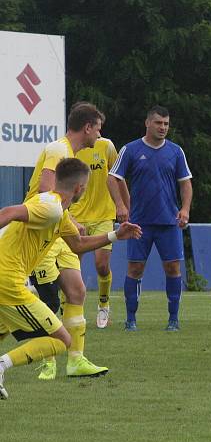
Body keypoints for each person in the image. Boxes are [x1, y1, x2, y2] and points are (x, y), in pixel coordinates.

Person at [0, 158, 142, 400]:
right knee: (60, 340)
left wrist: (116, 235)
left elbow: (77, 244)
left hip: (9, 278)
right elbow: (8, 212)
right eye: (85, 187)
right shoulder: (51, 207)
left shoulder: (61, 213)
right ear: (79, 188)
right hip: (7, 280)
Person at [26, 102, 111, 380]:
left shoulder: (69, 153)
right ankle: (47, 361)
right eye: (98, 129)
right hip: (41, 231)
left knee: (77, 291)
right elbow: (45, 188)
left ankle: (76, 359)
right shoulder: (58, 149)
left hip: (58, 232)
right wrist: (71, 220)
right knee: (49, 300)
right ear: (87, 127)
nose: (99, 135)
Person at [110, 106, 192, 331]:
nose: (163, 127)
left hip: (168, 222)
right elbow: (113, 177)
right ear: (147, 123)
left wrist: (185, 209)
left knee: (173, 268)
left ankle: (173, 319)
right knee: (135, 269)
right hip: (139, 223)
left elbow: (185, 182)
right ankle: (131, 319)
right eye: (158, 123)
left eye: (166, 124)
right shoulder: (131, 149)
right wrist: (120, 205)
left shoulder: (176, 151)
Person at [70, 129, 130, 329]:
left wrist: (124, 206)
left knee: (101, 265)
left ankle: (103, 304)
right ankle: (69, 308)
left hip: (104, 214)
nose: (99, 130)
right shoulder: (70, 148)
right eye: (96, 125)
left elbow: (118, 177)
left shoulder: (107, 146)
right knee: (71, 267)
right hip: (77, 215)